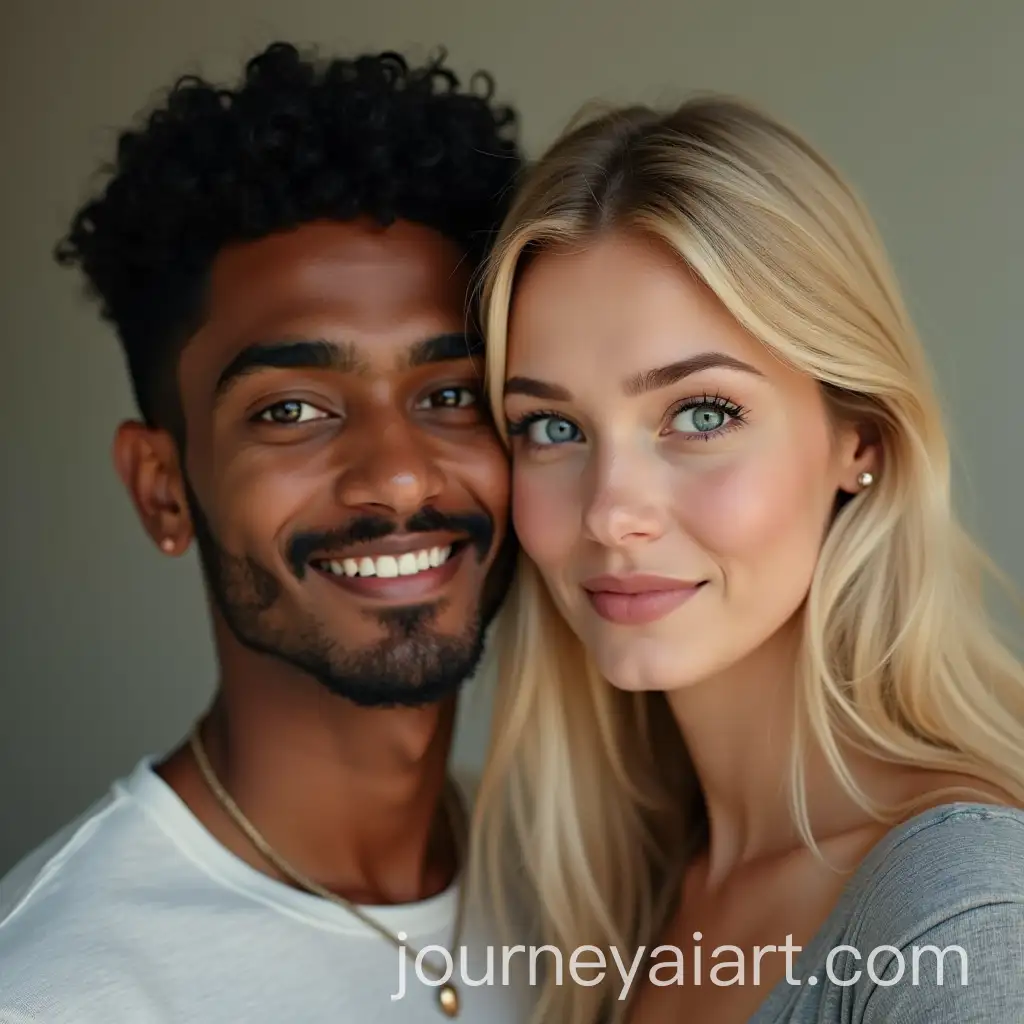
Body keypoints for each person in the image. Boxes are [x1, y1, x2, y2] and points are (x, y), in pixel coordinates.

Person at [0, 42, 529, 1023]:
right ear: (163, 489)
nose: (398, 472)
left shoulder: (611, 890)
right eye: (290, 411)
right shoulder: (52, 991)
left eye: (450, 393)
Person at [470, 97, 1024, 1024]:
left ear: (862, 438)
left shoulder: (956, 918)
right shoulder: (614, 900)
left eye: (701, 414)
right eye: (552, 427)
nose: (610, 513)